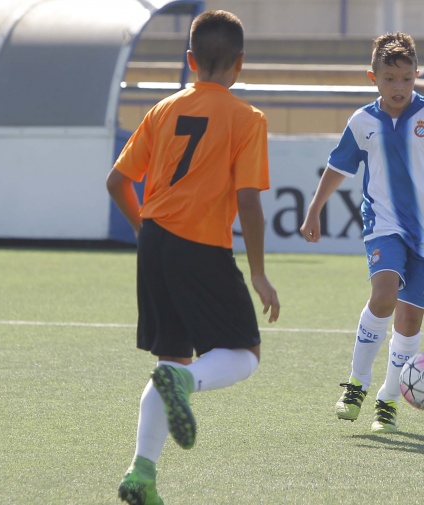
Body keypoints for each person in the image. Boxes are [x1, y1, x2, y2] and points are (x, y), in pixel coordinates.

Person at [106, 10, 280, 505]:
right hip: (200, 244)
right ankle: (186, 381)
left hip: (155, 240)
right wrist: (261, 274)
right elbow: (248, 201)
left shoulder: (161, 110)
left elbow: (117, 182)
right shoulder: (247, 119)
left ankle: (142, 473)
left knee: (170, 355)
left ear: (191, 61)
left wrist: (145, 231)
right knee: (244, 355)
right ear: (240, 65)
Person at [300, 32, 424, 433]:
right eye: (390, 79)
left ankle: (388, 399)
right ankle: (357, 383)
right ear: (372, 76)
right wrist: (314, 210)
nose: (399, 87)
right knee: (384, 295)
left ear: (416, 76)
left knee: (409, 323)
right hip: (384, 224)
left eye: (407, 79)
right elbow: (338, 168)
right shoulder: (362, 122)